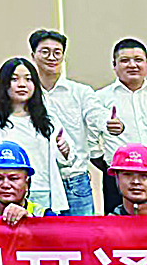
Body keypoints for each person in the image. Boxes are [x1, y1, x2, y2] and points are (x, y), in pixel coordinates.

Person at [85, 38, 147, 215]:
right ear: (114, 65)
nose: (132, 65)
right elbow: (90, 142)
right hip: (118, 184)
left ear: (146, 63)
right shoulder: (99, 98)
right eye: (125, 60)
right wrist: (112, 168)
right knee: (118, 231)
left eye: (138, 60)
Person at [0, 58, 71, 214]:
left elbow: (67, 161)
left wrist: (65, 151)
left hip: (43, 191)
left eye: (28, 79)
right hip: (5, 193)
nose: (22, 85)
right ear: (4, 83)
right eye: (14, 79)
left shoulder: (49, 118)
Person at [28, 30, 99, 216]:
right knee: (41, 235)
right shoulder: (26, 95)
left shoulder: (80, 92)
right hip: (39, 183)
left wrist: (109, 123)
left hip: (74, 181)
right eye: (45, 52)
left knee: (81, 233)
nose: (52, 57)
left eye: (57, 52)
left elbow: (97, 115)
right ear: (33, 56)